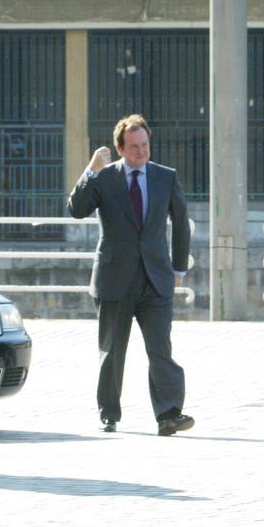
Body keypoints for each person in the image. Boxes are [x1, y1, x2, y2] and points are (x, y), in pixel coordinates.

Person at [67, 114, 192, 436]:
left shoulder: (165, 177)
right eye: (134, 146)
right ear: (120, 148)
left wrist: (179, 268)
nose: (141, 151)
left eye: (145, 145)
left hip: (155, 279)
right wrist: (91, 170)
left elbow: (180, 224)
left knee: (160, 349)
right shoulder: (105, 178)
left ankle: (169, 414)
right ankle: (109, 412)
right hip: (115, 278)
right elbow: (77, 208)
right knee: (112, 350)